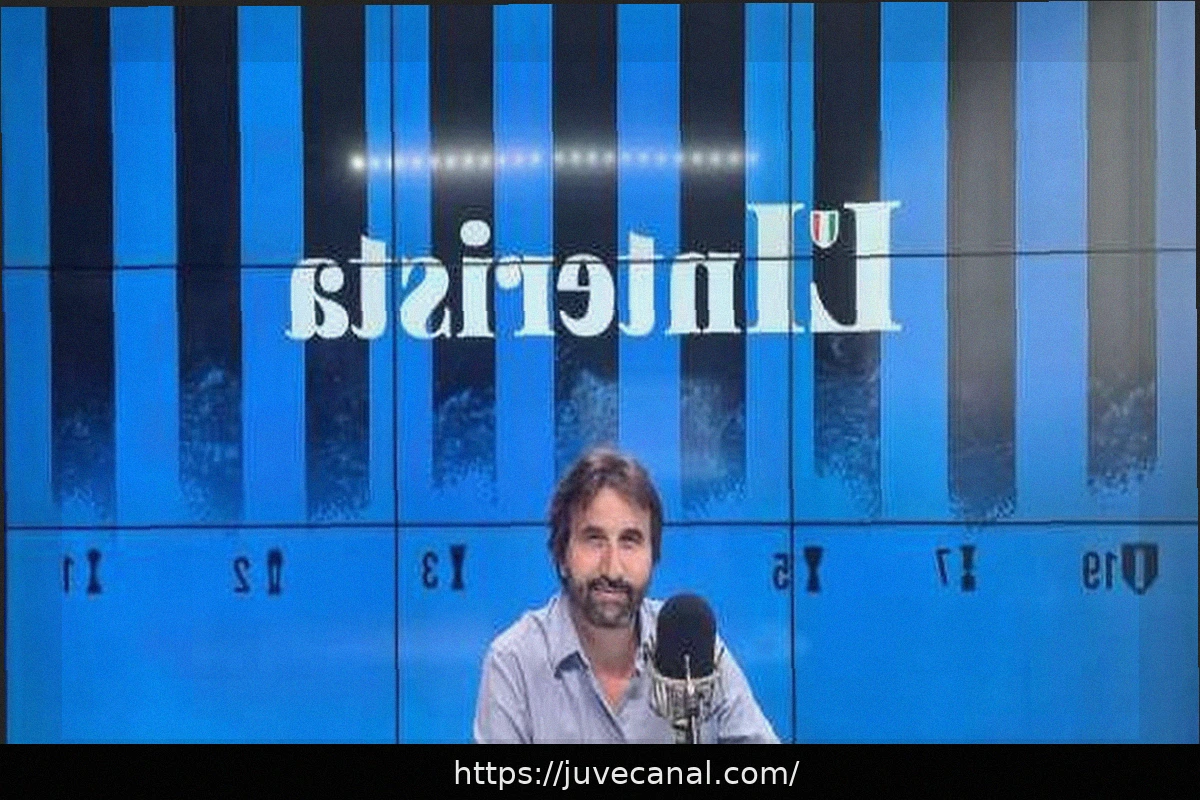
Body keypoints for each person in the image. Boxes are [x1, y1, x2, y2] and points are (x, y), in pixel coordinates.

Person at [473, 447, 778, 743]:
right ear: (562, 555)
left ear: (653, 556)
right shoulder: (513, 663)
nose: (613, 568)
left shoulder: (692, 647)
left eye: (630, 541)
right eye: (594, 540)